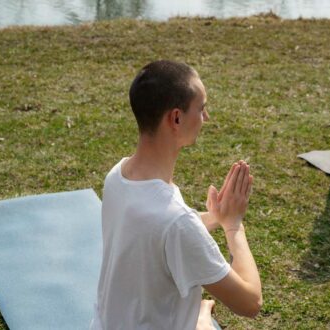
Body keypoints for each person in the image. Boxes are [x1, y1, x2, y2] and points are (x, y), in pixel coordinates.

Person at [90, 60, 262, 330]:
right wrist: (233, 225)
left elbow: (155, 231)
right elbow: (250, 303)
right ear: (177, 118)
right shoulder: (177, 222)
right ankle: (200, 318)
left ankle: (199, 317)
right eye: (201, 108)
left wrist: (215, 217)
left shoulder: (118, 176)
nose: (206, 118)